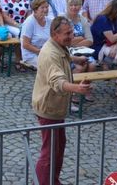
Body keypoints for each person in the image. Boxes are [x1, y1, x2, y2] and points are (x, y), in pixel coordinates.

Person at [32, 16, 92, 185]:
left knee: (58, 148)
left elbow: (62, 57)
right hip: (49, 108)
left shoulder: (59, 46)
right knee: (49, 152)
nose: (71, 36)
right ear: (54, 34)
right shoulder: (50, 53)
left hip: (55, 108)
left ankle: (53, 181)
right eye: (67, 33)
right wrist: (77, 89)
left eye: (72, 32)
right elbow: (57, 81)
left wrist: (76, 59)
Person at [21, 0, 52, 69]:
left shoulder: (49, 21)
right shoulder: (29, 22)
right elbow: (25, 44)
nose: (45, 9)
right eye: (42, 7)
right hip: (31, 54)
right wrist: (40, 52)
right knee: (50, 65)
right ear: (35, 9)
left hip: (46, 52)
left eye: (47, 7)